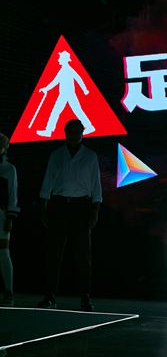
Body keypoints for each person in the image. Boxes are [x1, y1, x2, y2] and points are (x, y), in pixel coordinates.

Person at [37, 119, 102, 311]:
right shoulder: (57, 155)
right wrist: (43, 207)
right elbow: (48, 180)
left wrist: (95, 211)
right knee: (54, 253)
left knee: (83, 255)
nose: (74, 136)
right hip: (59, 205)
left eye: (77, 132)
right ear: (66, 133)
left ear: (82, 133)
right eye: (71, 132)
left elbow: (96, 184)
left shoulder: (90, 156)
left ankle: (85, 296)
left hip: (81, 206)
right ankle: (50, 295)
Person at [0, 133, 19, 306]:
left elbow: (13, 194)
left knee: (3, 252)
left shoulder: (9, 169)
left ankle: (9, 291)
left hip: (1, 214)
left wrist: (10, 217)